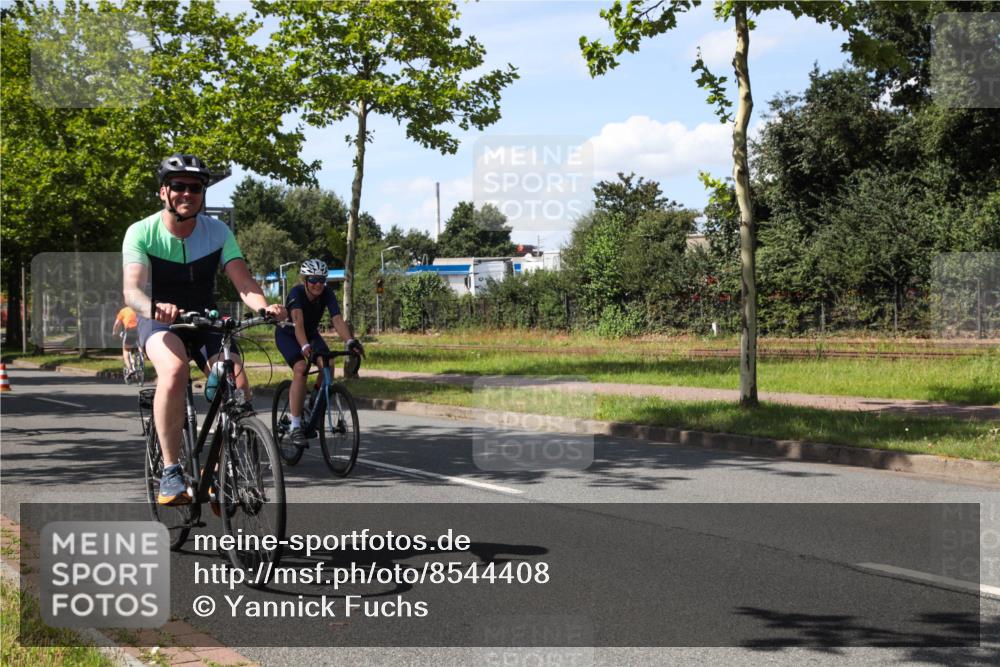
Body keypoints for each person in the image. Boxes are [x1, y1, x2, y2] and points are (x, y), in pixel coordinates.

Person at [122, 153, 286, 506]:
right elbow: (132, 290)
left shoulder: (218, 232)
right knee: (175, 370)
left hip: (205, 319)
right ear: (164, 192)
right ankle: (170, 471)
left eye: (195, 188)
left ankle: (226, 468)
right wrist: (153, 307)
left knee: (238, 381)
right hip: (160, 320)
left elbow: (243, 282)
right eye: (178, 186)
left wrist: (264, 306)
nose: (187, 193)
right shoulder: (141, 232)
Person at [275, 259, 364, 447]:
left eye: (322, 280)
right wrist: (306, 348)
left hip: (310, 333)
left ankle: (313, 401)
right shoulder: (296, 293)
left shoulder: (327, 293)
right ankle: (296, 426)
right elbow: (298, 323)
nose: (318, 284)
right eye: (313, 279)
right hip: (289, 334)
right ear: (305, 280)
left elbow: (337, 320)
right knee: (301, 368)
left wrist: (350, 341)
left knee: (329, 364)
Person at [112, 305, 139, 378]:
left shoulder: (123, 311)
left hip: (131, 330)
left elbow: (117, 324)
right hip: (141, 330)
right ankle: (141, 356)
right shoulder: (138, 309)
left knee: (126, 351)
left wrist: (114, 333)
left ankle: (130, 369)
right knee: (140, 344)